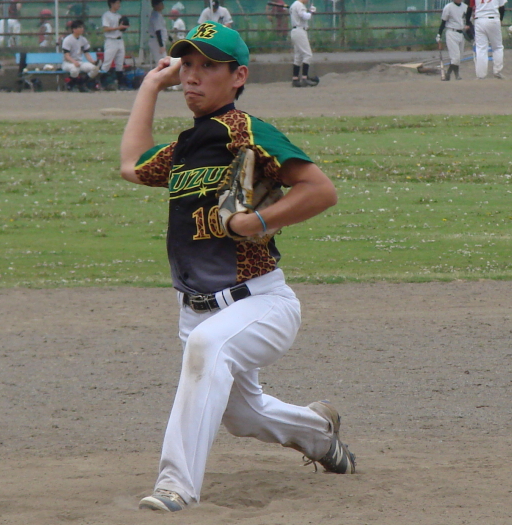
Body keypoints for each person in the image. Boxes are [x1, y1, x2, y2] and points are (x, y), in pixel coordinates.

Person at [120, 21, 355, 513]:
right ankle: (319, 431)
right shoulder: (186, 146)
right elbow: (133, 164)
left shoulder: (247, 131)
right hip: (196, 309)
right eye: (187, 64)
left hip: (261, 302)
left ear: (238, 76)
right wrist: (150, 85)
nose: (192, 75)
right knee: (243, 415)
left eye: (209, 65)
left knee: (209, 347)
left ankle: (176, 486)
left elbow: (321, 190)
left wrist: (259, 220)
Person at [465, 0, 506, 79]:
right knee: (497, 47)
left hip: (479, 19)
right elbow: (502, 8)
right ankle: (497, 71)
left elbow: (470, 7)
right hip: (493, 19)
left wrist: (467, 22)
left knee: (481, 48)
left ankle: (481, 75)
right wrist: (500, 19)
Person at [62, 19, 102, 92]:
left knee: (95, 69)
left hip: (79, 62)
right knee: (74, 70)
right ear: (74, 29)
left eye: (82, 27)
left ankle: (80, 84)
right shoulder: (67, 40)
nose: (82, 29)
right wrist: (74, 62)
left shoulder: (83, 39)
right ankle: (77, 85)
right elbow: (66, 56)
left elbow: (86, 53)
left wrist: (93, 62)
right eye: (80, 27)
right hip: (68, 63)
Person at [436, 0, 469, 81]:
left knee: (459, 56)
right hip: (451, 32)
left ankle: (454, 75)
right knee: (455, 57)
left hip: (461, 33)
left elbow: (467, 20)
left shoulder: (465, 7)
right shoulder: (448, 7)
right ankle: (449, 74)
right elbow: (443, 22)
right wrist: (439, 34)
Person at [289, 0, 319, 87]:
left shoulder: (294, 5)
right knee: (308, 55)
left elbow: (302, 15)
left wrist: (309, 12)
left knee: (298, 56)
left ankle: (295, 79)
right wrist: (311, 12)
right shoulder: (299, 4)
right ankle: (305, 78)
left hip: (295, 31)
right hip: (300, 31)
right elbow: (305, 16)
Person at [102, 0, 129, 87]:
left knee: (120, 63)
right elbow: (105, 29)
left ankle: (121, 84)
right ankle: (102, 83)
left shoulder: (119, 16)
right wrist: (118, 27)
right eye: (117, 3)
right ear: (112, 4)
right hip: (111, 40)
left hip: (119, 40)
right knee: (107, 63)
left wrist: (124, 27)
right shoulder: (106, 15)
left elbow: (121, 28)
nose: (119, 5)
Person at [148, 0, 168, 66]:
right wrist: (161, 46)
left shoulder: (159, 14)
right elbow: (158, 31)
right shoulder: (156, 16)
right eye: (160, 3)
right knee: (161, 62)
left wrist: (171, 39)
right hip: (156, 42)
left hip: (158, 41)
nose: (162, 5)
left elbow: (163, 29)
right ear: (156, 5)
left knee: (163, 61)